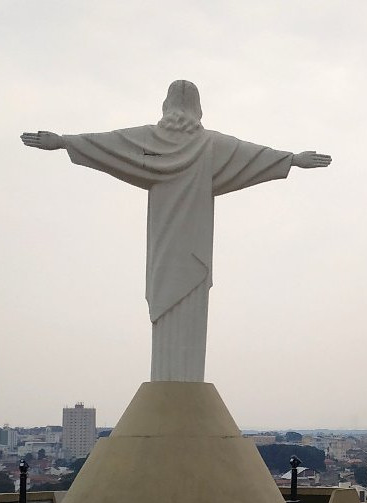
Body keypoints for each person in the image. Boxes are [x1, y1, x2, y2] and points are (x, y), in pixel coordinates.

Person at [20, 80, 331, 382]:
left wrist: (64, 141)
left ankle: (176, 384)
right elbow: (251, 155)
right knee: (184, 309)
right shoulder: (210, 145)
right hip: (191, 250)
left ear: (166, 106)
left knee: (175, 307)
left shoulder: (151, 144)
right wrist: (292, 160)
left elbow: (111, 145)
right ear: (198, 110)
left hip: (168, 249)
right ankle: (176, 384)